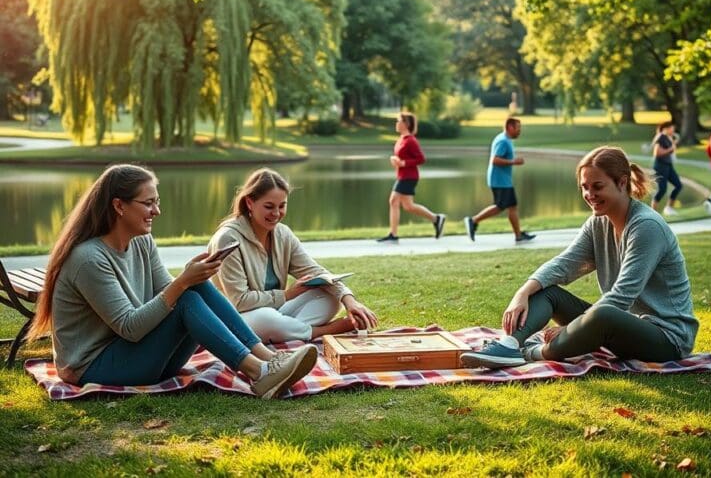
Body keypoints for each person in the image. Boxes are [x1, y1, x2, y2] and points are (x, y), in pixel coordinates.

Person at [26, 164, 317, 400]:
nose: (157, 211)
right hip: (94, 366)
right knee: (185, 293)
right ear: (119, 206)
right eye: (148, 203)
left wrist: (190, 277)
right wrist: (181, 284)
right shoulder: (89, 259)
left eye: (158, 201)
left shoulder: (141, 241)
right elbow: (130, 328)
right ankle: (258, 373)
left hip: (143, 358)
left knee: (195, 287)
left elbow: (170, 293)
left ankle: (268, 359)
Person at [460, 146, 698, 368]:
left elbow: (623, 295)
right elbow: (564, 264)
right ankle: (508, 346)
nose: (589, 194)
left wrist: (571, 329)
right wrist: (522, 293)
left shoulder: (646, 226)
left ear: (622, 182)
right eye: (584, 187)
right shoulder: (598, 222)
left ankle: (532, 353)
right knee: (547, 290)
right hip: (622, 327)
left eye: (597, 186)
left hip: (667, 339)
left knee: (603, 314)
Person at [208, 168, 378, 343]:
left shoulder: (283, 234)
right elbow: (240, 301)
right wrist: (287, 295)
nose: (276, 214)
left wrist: (349, 300)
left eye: (282, 206)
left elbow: (315, 271)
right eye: (269, 206)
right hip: (237, 318)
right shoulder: (227, 239)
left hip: (275, 312)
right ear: (250, 203)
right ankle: (322, 331)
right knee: (267, 319)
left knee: (329, 295)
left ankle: (285, 331)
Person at [463, 116, 535, 243]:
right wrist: (514, 161)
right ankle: (473, 220)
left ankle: (518, 235)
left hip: (502, 180)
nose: (519, 131)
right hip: (500, 180)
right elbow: (495, 160)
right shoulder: (503, 141)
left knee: (511, 206)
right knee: (501, 206)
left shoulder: (506, 140)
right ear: (509, 127)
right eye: (518, 128)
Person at [376, 112, 446, 243]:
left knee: (393, 201)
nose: (396, 124)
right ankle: (436, 219)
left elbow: (421, 159)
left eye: (398, 121)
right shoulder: (401, 139)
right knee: (408, 206)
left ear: (406, 124)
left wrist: (404, 163)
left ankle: (393, 235)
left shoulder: (411, 141)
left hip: (409, 176)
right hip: (402, 175)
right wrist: (396, 161)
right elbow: (402, 157)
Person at [651, 120, 683, 216]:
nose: (673, 130)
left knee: (678, 185)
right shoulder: (661, 137)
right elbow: (657, 153)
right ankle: (653, 213)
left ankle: (668, 208)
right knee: (662, 189)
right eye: (672, 128)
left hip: (668, 165)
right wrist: (671, 149)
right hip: (660, 166)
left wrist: (673, 144)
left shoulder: (667, 138)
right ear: (666, 129)